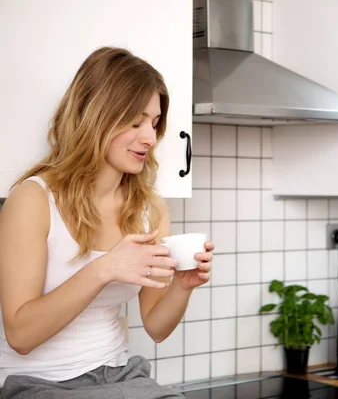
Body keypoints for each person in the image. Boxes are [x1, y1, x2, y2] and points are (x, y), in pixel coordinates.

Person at [0, 47, 214, 399]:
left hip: (120, 376)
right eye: (135, 121)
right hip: (39, 383)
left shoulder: (149, 209)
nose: (150, 137)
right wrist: (105, 268)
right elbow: (20, 336)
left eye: (154, 122)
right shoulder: (33, 201)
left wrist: (183, 285)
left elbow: (156, 327)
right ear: (96, 115)